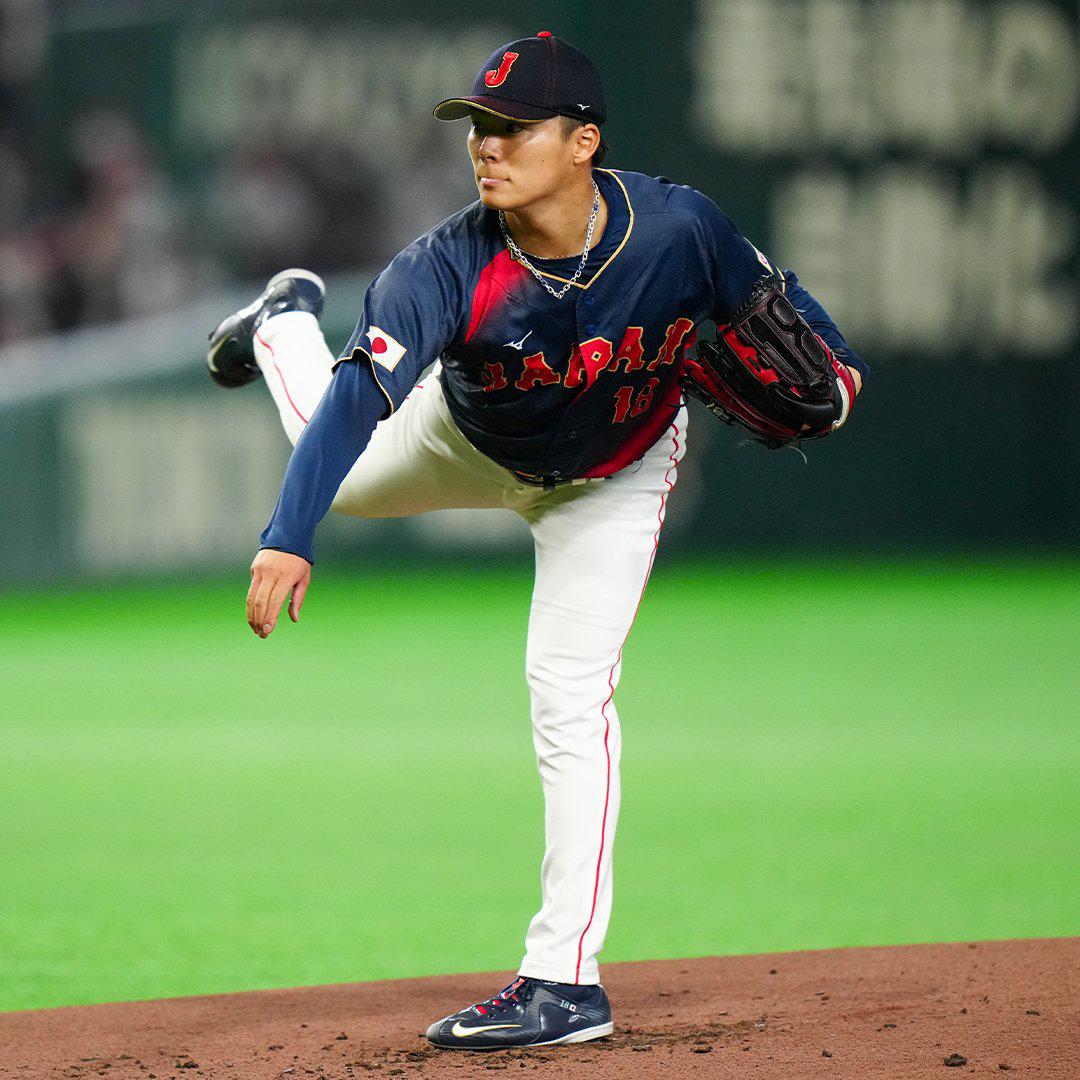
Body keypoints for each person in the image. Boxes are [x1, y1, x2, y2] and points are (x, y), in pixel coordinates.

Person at [206, 31, 866, 1051]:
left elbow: (786, 311)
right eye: (479, 126)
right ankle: (282, 319)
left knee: (569, 696)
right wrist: (286, 533)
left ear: (583, 142)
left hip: (618, 471)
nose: (487, 146)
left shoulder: (678, 230)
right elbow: (354, 408)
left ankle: (564, 984)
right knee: (331, 457)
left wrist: (843, 379)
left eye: (513, 128)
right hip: (462, 441)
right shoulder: (444, 266)